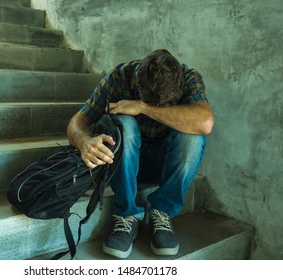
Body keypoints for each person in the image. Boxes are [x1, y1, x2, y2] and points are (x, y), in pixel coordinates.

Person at [67, 49, 214, 258]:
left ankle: (161, 212)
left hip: (163, 164)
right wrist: (83, 141)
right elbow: (78, 121)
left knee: (194, 136)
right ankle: (126, 215)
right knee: (124, 124)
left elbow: (205, 122)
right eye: (149, 100)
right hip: (124, 162)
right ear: (137, 83)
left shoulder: (189, 77)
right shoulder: (119, 77)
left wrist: (144, 107)